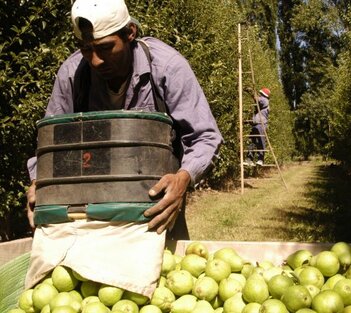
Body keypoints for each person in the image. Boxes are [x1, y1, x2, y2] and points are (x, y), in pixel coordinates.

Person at [24, 0, 223, 297]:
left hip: (154, 209)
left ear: (130, 33)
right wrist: (40, 181)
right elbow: (52, 144)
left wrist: (183, 179)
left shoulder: (166, 67)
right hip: (89, 214)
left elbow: (205, 136)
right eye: (86, 49)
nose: (95, 61)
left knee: (163, 289)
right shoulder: (72, 74)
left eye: (105, 48)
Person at [244, 87, 270, 166]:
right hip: (256, 125)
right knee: (252, 142)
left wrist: (251, 91)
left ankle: (260, 159)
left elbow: (256, 98)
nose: (259, 95)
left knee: (261, 142)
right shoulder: (259, 106)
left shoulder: (265, 100)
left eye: (260, 94)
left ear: (263, 95)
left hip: (261, 125)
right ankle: (249, 159)